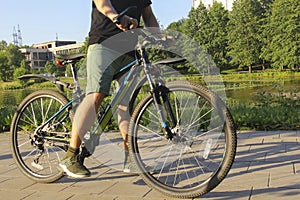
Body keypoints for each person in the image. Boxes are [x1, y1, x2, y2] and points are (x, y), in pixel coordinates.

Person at [59, 0, 160, 178]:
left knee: (125, 104)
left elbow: (149, 16)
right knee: (96, 94)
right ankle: (71, 155)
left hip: (129, 50)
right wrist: (116, 17)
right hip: (104, 43)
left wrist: (160, 36)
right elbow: (102, 3)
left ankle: (131, 159)